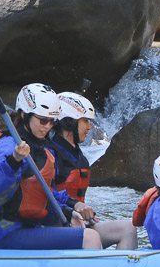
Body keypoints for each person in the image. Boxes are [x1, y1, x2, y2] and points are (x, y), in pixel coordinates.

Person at [0, 83, 101, 250]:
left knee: (84, 230)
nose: (47, 126)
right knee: (90, 237)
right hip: (8, 232)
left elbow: (44, 193)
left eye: (52, 122)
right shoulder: (8, 145)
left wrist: (69, 210)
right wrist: (13, 161)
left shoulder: (40, 148)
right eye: (43, 120)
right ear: (24, 114)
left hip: (32, 228)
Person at [49, 92, 137, 249]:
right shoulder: (49, 153)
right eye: (85, 121)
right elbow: (44, 195)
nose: (89, 127)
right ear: (69, 122)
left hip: (76, 224)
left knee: (128, 229)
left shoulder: (78, 155)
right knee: (92, 236)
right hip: (53, 227)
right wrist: (72, 208)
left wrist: (85, 215)